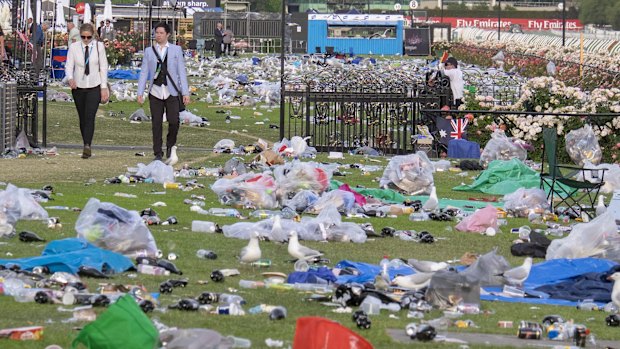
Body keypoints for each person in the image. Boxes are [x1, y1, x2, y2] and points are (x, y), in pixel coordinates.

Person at [137, 22, 190, 162]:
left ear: (167, 34)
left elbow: (181, 72)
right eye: (156, 33)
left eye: (161, 33)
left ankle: (170, 146)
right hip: (155, 91)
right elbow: (144, 72)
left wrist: (185, 92)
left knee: (174, 121)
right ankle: (157, 153)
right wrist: (140, 92)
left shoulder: (176, 50)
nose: (158, 35)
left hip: (171, 91)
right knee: (156, 123)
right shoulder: (149, 51)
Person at [65, 23, 109, 159]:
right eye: (83, 37)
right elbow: (68, 65)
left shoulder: (98, 46)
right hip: (78, 87)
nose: (85, 39)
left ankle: (87, 145)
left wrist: (103, 87)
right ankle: (85, 142)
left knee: (90, 116)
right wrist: (70, 78)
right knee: (82, 117)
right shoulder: (74, 47)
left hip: (94, 86)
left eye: (88, 37)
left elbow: (103, 67)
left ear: (93, 36)